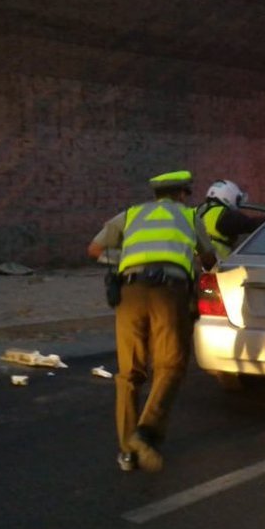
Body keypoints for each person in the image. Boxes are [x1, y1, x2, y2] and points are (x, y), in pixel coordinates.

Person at [87, 170, 216, 473]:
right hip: (169, 295)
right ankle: (145, 432)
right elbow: (208, 259)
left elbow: (94, 250)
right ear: (183, 194)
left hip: (130, 292)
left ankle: (127, 454)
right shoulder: (187, 216)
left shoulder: (130, 214)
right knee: (170, 365)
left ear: (156, 194)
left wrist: (131, 258)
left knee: (129, 372)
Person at [197, 179, 265, 261]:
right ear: (228, 196)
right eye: (237, 199)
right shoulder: (226, 215)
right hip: (216, 269)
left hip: (192, 265)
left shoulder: (196, 211)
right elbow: (251, 224)